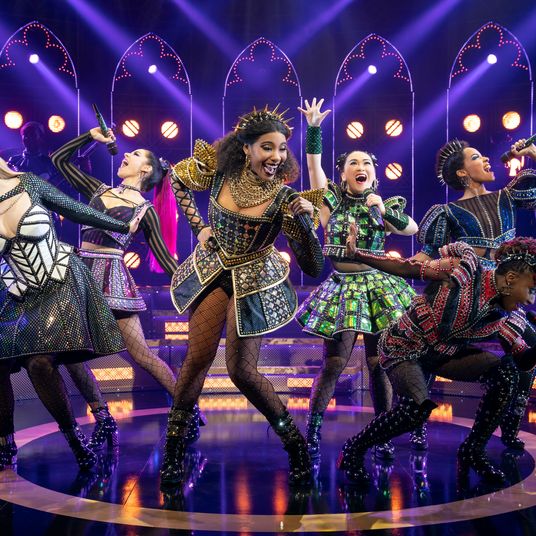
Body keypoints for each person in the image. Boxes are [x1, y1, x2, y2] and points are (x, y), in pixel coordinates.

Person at [163, 105, 325, 489]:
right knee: (196, 360)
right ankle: (173, 450)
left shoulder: (285, 197)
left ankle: (295, 444)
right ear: (246, 148)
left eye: (282, 148)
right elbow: (177, 178)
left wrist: (305, 225)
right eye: (267, 147)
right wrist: (199, 227)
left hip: (254, 279)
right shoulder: (221, 173)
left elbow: (314, 266)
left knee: (241, 372)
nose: (276, 156)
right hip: (213, 268)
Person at [338, 232, 536, 485]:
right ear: (511, 279)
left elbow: (522, 361)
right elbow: (406, 267)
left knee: (505, 373)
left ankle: (472, 450)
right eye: (531, 290)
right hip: (405, 347)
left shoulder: (508, 317)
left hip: (444, 355)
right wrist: (357, 254)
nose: (531, 300)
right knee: (415, 412)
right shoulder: (463, 270)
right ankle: (354, 448)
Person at [51, 127, 203, 451]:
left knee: (141, 354)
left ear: (145, 169)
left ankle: (187, 409)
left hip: (112, 278)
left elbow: (165, 257)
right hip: (79, 274)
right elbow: (59, 160)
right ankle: (103, 416)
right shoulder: (99, 189)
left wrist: (196, 289)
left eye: (134, 155)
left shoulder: (145, 211)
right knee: (68, 354)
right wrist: (90, 137)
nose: (125, 155)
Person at [295, 98, 418, 461]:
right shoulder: (329, 202)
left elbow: (411, 229)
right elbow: (314, 166)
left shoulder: (383, 206)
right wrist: (314, 130)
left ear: (374, 176)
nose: (360, 167)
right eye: (353, 163)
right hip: (343, 289)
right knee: (334, 363)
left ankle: (382, 433)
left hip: (378, 287)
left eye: (366, 163)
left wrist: (381, 209)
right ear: (343, 174)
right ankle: (312, 432)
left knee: (379, 364)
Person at [0, 158, 139, 471]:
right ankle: (5, 444)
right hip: (14, 287)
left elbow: (76, 210)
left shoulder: (28, 183)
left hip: (59, 279)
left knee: (40, 362)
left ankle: (76, 439)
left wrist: (121, 226)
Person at [416, 138, 536, 451]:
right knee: (432, 352)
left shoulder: (507, 196)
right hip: (466, 294)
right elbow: (426, 256)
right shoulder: (446, 212)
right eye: (476, 157)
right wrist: (392, 269)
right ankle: (417, 423)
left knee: (529, 346)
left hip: (504, 290)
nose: (486, 160)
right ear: (462, 173)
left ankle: (510, 427)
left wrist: (532, 154)